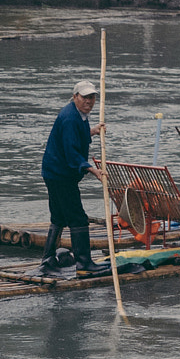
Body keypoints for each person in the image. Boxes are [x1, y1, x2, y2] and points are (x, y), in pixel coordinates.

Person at [39, 80, 109, 277]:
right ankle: (84, 262)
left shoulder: (78, 115)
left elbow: (74, 137)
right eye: (85, 97)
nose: (89, 101)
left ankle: (48, 257)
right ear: (75, 97)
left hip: (53, 172)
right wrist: (91, 169)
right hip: (60, 175)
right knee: (77, 217)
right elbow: (71, 152)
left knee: (59, 216)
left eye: (92, 97)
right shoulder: (70, 117)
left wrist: (92, 131)